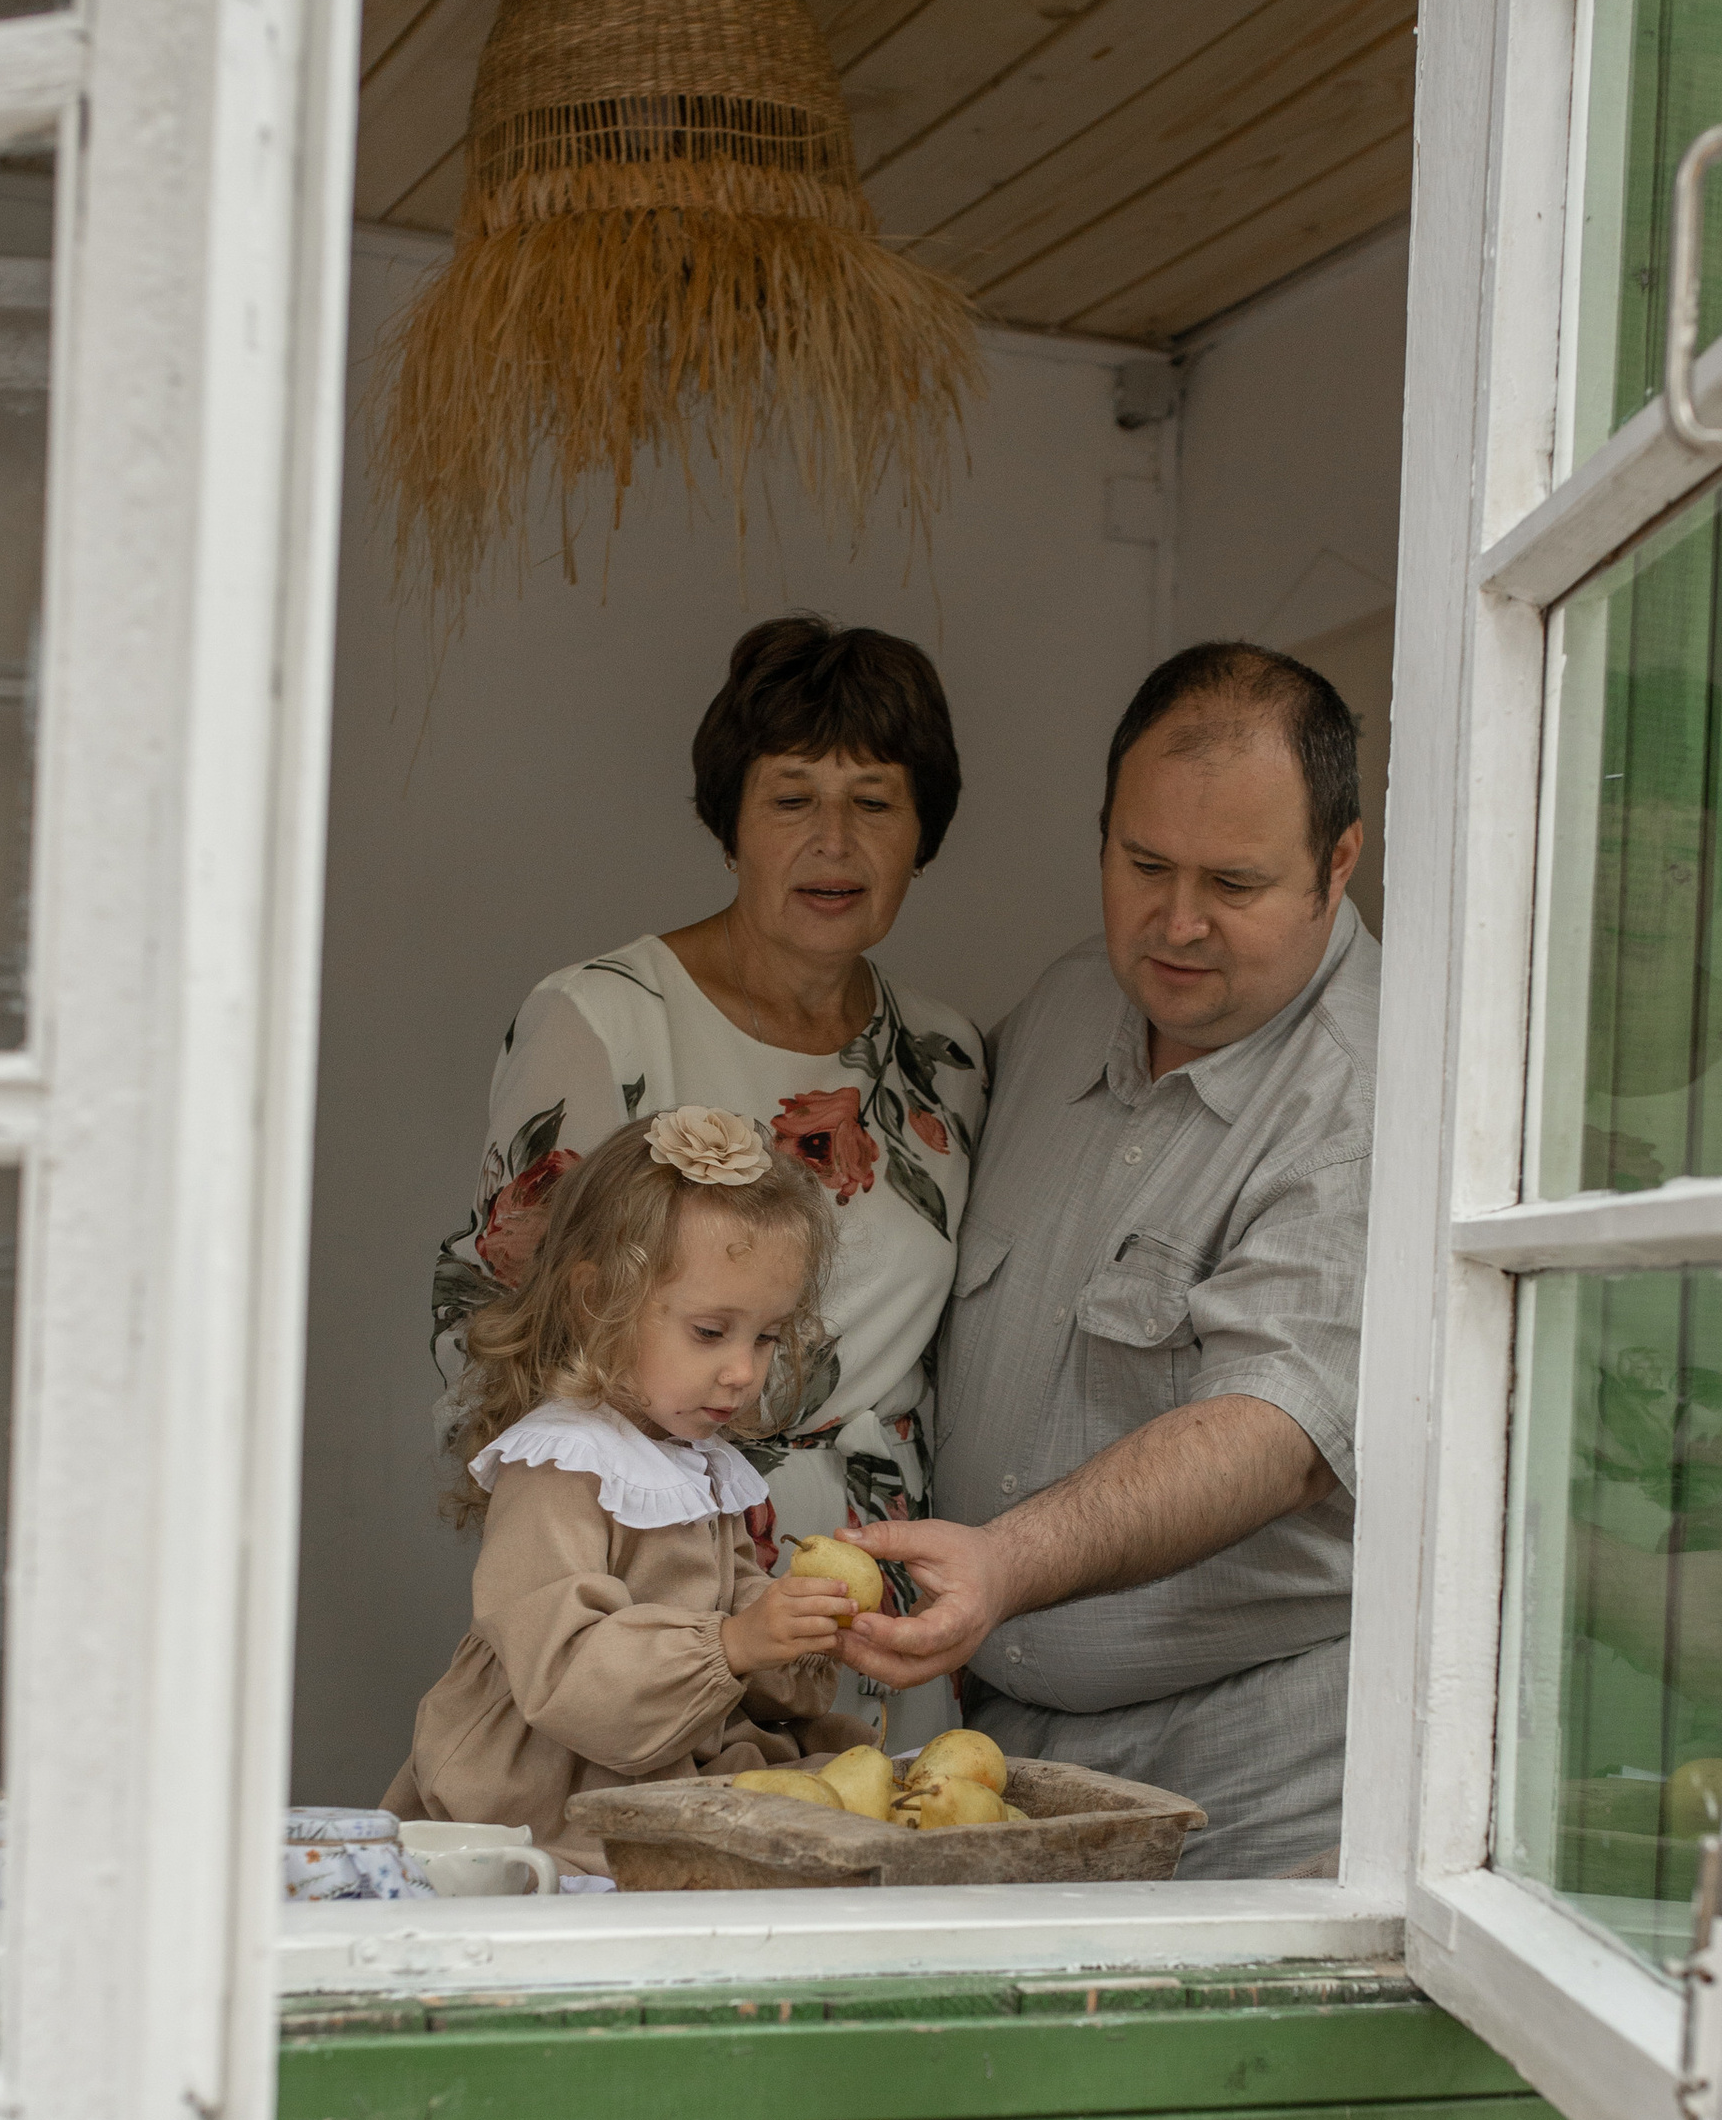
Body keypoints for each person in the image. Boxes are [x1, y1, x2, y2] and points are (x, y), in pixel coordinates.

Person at [839, 642, 1375, 1878]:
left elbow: (1275, 1433)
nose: (1175, 924)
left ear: (1336, 864)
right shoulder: (1070, 1004)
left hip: (1254, 1793)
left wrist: (1007, 1562)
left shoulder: (1368, 1100)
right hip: (993, 1751)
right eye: (1143, 866)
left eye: (1234, 883)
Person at [433, 615, 986, 1550]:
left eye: (876, 803)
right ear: (729, 824)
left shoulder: (951, 1057)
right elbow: (500, 1333)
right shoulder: (604, 1019)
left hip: (881, 1575)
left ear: (922, 835)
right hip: (665, 1571)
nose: (834, 842)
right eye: (792, 799)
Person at [390, 1110, 872, 1873]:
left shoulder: (690, 1458)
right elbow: (566, 1675)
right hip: (555, 1794)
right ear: (596, 1302)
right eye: (711, 1332)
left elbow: (736, 1615)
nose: (744, 1371)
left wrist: (796, 1631)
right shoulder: (562, 1462)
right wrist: (735, 1644)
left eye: (767, 1337)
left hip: (672, 1761)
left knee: (844, 1813)